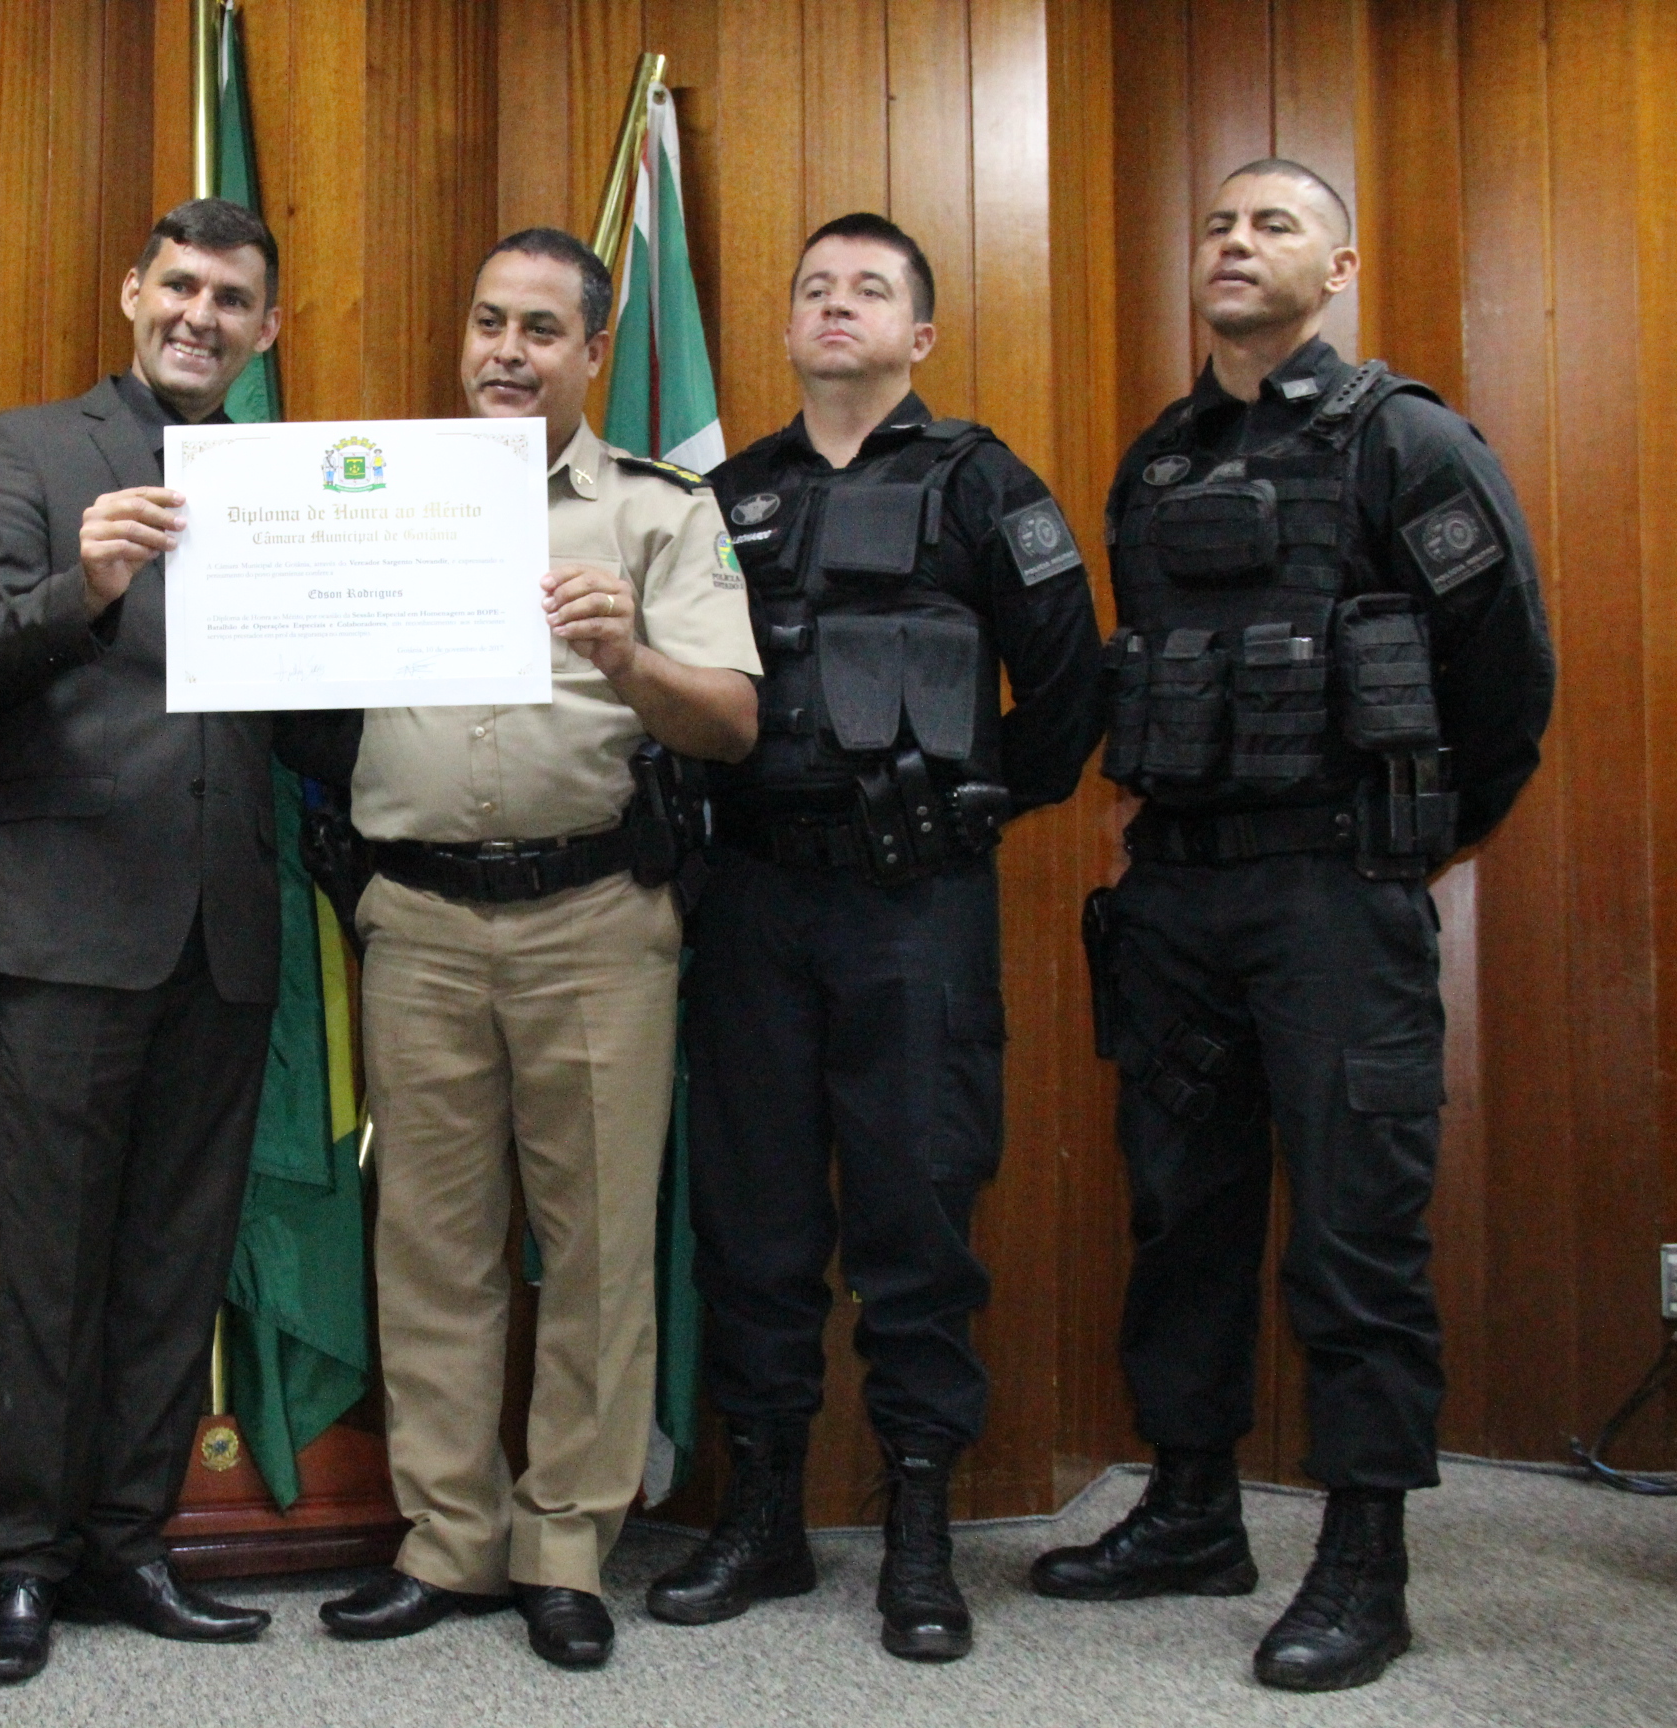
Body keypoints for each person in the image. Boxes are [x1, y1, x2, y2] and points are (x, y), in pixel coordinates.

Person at [1029, 160, 1553, 1693]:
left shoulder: (1408, 441)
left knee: (1354, 1230)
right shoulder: (1160, 461)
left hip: (1335, 899)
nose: (1237, 243)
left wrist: (1403, 842)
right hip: (1178, 897)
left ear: (1340, 268)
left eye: (1274, 224)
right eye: (1218, 223)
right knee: (1178, 1208)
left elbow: (1505, 683)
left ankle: (1366, 1559)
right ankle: (1193, 1510)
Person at [647, 214, 1105, 1661]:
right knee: (754, 1220)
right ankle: (764, 1517)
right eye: (814, 288)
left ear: (921, 335)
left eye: (870, 290)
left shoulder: (985, 487)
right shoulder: (723, 496)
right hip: (753, 905)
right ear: (788, 327)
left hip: (915, 909)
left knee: (918, 1216)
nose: (835, 306)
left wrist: (968, 810)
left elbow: (1072, 696)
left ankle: (919, 1533)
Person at [314, 229, 760, 1671]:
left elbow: (732, 723)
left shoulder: (656, 512)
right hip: (418, 921)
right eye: (488, 323)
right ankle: (448, 1541)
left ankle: (566, 1545)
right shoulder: (370, 498)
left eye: (541, 330)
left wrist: (629, 657)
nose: (506, 352)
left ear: (593, 353)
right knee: (430, 1249)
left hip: (594, 918)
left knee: (598, 1254)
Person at [0, 198, 358, 1686]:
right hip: (66, 928)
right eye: (179, 285)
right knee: (52, 1265)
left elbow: (318, 729)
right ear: (132, 292)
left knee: (178, 1261)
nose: (200, 315)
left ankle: (130, 1542)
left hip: (226, 933)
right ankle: (27, 1560)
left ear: (267, 328)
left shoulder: (292, 482)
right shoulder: (29, 450)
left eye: (232, 299)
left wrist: (408, 627)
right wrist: (88, 586)